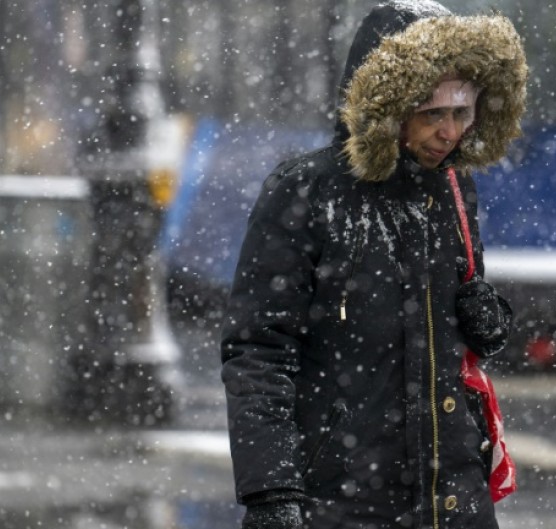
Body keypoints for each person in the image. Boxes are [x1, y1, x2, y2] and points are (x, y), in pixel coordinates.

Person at [220, 2, 528, 528]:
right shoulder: (307, 192)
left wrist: (488, 318)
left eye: (462, 112)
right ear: (387, 106)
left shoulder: (454, 188)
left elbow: (450, 326)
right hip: (345, 499)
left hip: (454, 497)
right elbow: (260, 350)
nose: (450, 133)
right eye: (433, 113)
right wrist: (271, 490)